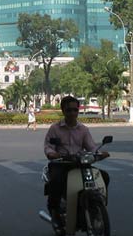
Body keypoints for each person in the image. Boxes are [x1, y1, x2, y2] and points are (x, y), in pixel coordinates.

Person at [44, 95, 110, 227]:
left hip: (80, 163)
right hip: (62, 163)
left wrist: (99, 153)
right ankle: (55, 211)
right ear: (63, 111)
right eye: (69, 110)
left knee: (104, 176)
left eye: (75, 110)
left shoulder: (83, 129)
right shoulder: (55, 128)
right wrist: (53, 154)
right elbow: (48, 146)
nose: (72, 113)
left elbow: (91, 147)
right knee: (56, 182)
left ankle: (98, 205)